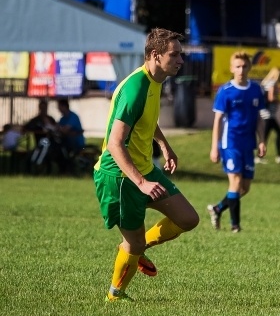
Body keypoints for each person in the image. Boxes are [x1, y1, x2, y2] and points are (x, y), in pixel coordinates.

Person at [93, 28, 199, 302]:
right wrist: (141, 182)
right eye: (174, 55)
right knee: (134, 242)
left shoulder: (156, 80)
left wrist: (164, 145)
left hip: (144, 169)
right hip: (119, 175)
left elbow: (146, 121)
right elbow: (115, 143)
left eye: (180, 54)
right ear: (155, 55)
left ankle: (136, 248)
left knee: (188, 219)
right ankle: (115, 295)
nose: (180, 61)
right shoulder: (135, 88)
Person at [207, 51, 267, 233]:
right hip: (230, 142)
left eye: (244, 66)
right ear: (232, 68)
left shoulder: (256, 90)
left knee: (244, 188)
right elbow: (218, 120)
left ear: (249, 67)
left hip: (248, 143)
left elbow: (259, 118)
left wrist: (262, 140)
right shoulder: (225, 91)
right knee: (235, 182)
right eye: (238, 66)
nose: (241, 70)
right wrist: (214, 147)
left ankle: (217, 208)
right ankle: (235, 226)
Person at [260, 67, 280, 164]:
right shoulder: (272, 83)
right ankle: (277, 156)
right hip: (269, 114)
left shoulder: (267, 82)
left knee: (267, 135)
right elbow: (271, 98)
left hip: (267, 114)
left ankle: (278, 156)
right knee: (276, 133)